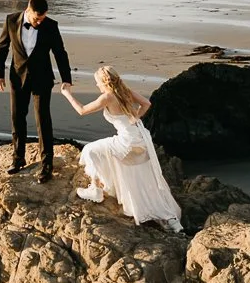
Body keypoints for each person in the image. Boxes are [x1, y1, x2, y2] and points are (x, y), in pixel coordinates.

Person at [62, 65, 183, 230]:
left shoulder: (107, 97)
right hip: (140, 139)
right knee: (143, 177)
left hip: (126, 143)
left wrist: (67, 94)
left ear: (104, 82)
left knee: (90, 150)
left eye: (97, 82)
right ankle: (170, 219)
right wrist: (135, 117)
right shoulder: (126, 91)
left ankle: (95, 189)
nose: (97, 85)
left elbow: (82, 111)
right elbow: (146, 104)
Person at [0, 0, 73, 180]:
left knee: (42, 119)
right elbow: (2, 48)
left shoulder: (51, 26)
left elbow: (60, 53)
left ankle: (47, 164)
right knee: (17, 118)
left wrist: (66, 79)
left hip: (42, 79)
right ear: (28, 10)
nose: (40, 21)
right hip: (17, 78)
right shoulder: (11, 20)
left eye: (43, 18)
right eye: (38, 18)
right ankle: (18, 158)